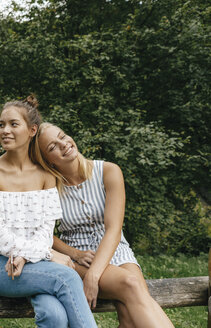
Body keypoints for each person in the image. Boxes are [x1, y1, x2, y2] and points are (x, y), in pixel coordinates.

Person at [32, 122, 174, 327]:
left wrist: (94, 276)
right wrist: (75, 254)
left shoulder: (108, 171)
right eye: (53, 147)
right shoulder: (50, 186)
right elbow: (42, 234)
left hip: (117, 249)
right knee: (130, 284)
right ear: (47, 161)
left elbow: (114, 229)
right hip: (80, 258)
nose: (63, 144)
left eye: (62, 136)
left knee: (129, 318)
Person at [0, 96, 97, 328]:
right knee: (67, 276)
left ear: (32, 130)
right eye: (1, 125)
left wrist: (27, 256)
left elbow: (44, 232)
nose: (5, 130)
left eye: (13, 124)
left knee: (54, 316)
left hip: (33, 261)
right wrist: (49, 255)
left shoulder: (45, 176)